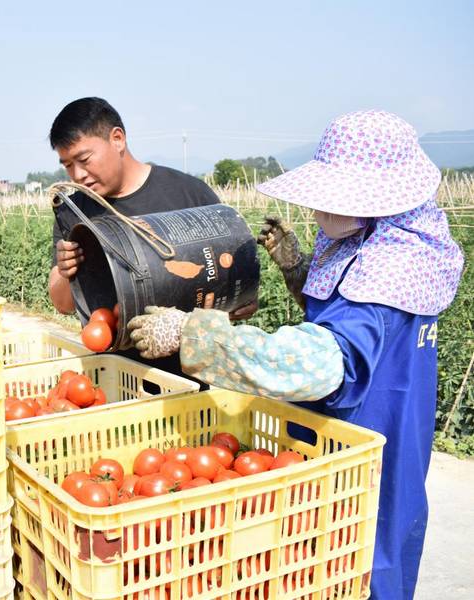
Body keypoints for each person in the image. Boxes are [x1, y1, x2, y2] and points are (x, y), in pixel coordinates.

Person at [126, 110, 464, 599]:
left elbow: (317, 362)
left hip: (358, 450)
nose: (318, 209)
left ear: (374, 202)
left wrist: (193, 332)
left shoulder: (387, 274)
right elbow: (345, 317)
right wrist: (299, 269)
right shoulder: (395, 250)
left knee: (355, 562)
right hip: (386, 437)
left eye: (333, 197)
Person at [48, 97, 245, 378]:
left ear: (117, 139)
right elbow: (63, 304)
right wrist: (66, 272)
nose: (77, 174)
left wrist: (238, 302)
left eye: (84, 160)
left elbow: (234, 278)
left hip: (188, 376)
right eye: (68, 165)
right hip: (115, 375)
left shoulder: (188, 194)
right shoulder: (73, 213)